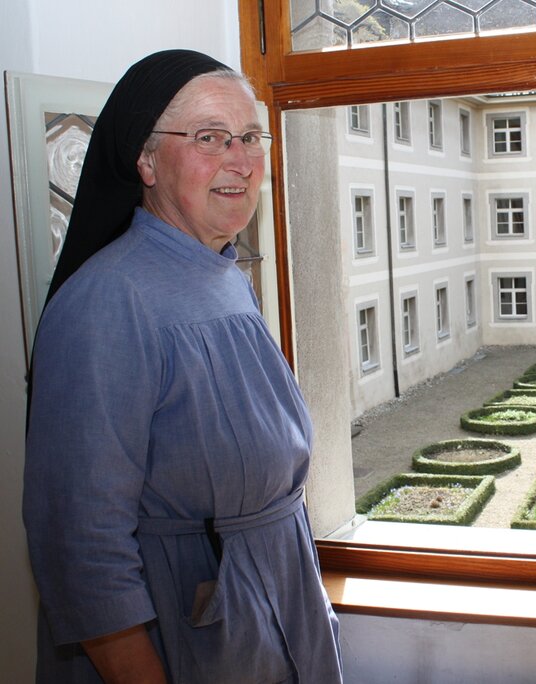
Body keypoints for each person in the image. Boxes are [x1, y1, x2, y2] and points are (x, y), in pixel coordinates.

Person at [23, 50, 344, 683]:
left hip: (274, 613)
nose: (241, 159)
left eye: (250, 136)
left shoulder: (225, 275)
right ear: (144, 160)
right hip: (189, 637)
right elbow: (82, 549)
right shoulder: (106, 304)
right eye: (209, 138)